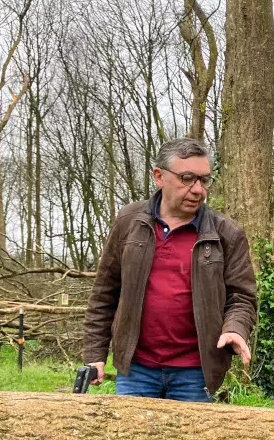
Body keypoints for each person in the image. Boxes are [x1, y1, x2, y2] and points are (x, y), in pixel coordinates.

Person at [83, 137, 257, 402]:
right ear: (159, 176)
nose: (198, 189)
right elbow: (105, 293)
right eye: (187, 178)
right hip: (136, 370)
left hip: (195, 372)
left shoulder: (226, 234)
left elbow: (242, 297)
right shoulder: (129, 222)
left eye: (204, 180)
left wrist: (234, 328)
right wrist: (95, 354)